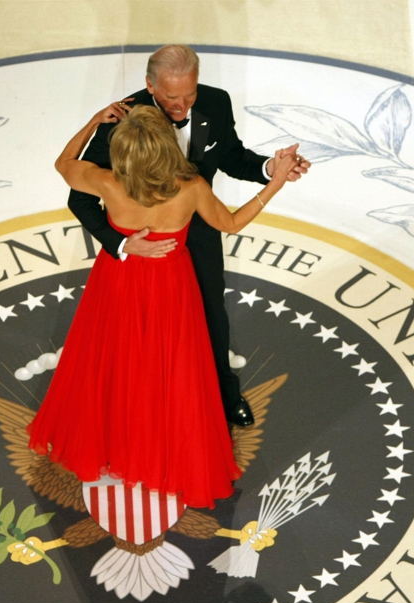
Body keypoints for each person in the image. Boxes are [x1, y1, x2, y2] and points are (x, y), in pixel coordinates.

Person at [28, 103, 296, 509]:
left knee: (113, 361)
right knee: (171, 368)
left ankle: (113, 445)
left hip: (117, 280)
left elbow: (63, 163)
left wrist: (93, 122)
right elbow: (232, 223)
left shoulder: (108, 182)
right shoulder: (191, 189)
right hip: (171, 285)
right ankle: (161, 450)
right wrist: (274, 182)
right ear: (167, 146)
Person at [69, 45, 309, 428]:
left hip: (197, 231)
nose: (181, 106)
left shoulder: (216, 102)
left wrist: (270, 168)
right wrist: (121, 244)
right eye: (170, 97)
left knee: (211, 316)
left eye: (189, 95)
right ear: (149, 85)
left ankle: (223, 398)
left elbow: (231, 157)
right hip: (140, 248)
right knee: (135, 334)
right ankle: (138, 413)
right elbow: (79, 199)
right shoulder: (121, 120)